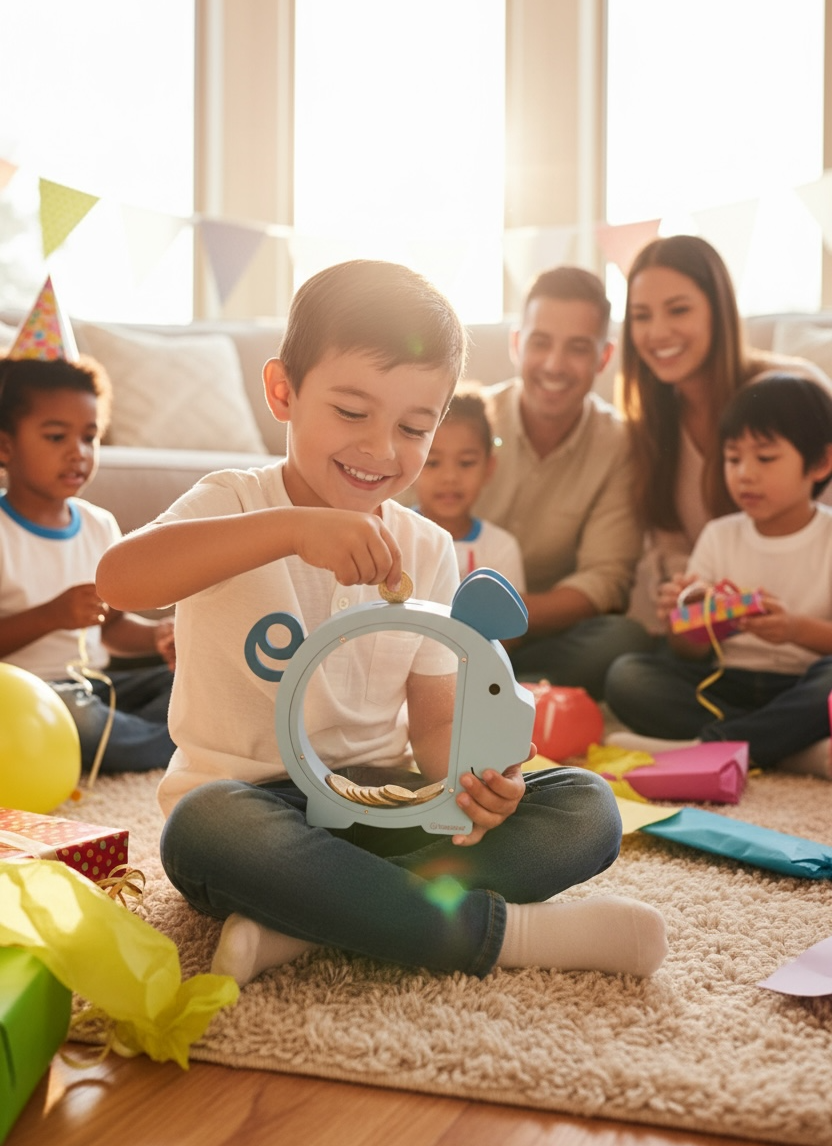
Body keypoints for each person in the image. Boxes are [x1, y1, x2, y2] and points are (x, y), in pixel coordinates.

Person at [97, 259, 667, 987]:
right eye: (351, 412)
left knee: (587, 808)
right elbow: (119, 580)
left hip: (382, 805)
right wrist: (292, 529)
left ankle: (305, 922)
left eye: (413, 427)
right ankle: (505, 934)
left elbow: (433, 722)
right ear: (283, 391)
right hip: (251, 804)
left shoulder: (427, 547)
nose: (381, 449)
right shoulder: (234, 503)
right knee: (201, 829)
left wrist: (472, 779)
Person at [605, 373, 832, 777]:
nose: (745, 474)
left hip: (804, 685)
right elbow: (687, 650)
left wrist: (794, 629)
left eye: (765, 458)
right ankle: (786, 750)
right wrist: (686, 618)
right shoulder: (720, 535)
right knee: (629, 677)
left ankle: (710, 745)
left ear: (820, 464)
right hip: (726, 681)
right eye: (732, 458)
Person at [620, 234, 832, 633]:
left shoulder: (795, 390)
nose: (658, 332)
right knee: (628, 660)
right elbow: (672, 558)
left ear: (718, 312)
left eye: (679, 310)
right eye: (641, 316)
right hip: (717, 635)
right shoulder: (650, 425)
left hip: (812, 632)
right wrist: (688, 597)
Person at [474, 266, 647, 699]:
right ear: (517, 344)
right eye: (540, 343)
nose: (554, 365)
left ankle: (498, 690)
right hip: (445, 620)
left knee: (622, 638)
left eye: (577, 348)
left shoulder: (620, 444)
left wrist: (506, 619)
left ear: (603, 357)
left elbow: (604, 578)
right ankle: (507, 691)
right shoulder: (466, 419)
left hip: (541, 633)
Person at [0, 353, 177, 773]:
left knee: (195, 680)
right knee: (77, 715)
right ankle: (174, 743)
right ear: (5, 446)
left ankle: (143, 740)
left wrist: (156, 637)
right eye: (56, 437)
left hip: (97, 686)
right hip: (23, 697)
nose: (78, 453)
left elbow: (110, 627)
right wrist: (51, 616)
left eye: (89, 437)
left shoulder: (99, 525)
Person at [413, 385, 525, 589]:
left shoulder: (500, 549)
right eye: (433, 463)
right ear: (411, 463)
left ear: (489, 467)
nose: (450, 477)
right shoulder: (391, 535)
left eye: (466, 463)